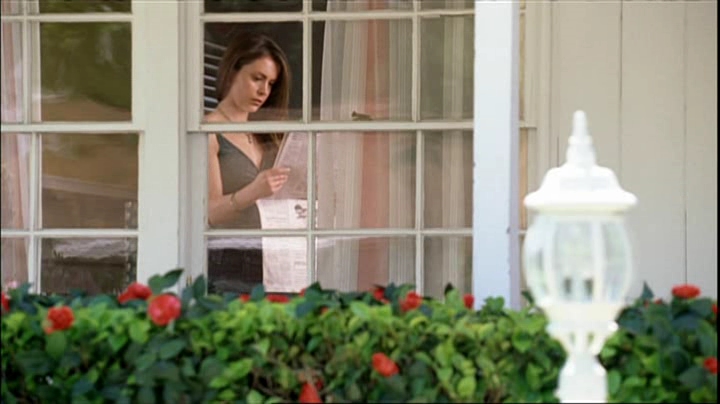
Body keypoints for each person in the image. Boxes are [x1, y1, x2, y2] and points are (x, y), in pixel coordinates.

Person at [205, 32, 291, 294]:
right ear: (232, 72)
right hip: (230, 263)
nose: (264, 91)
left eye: (271, 83)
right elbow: (210, 213)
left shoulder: (266, 134)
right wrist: (254, 191)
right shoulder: (207, 131)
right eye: (257, 78)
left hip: (275, 261)